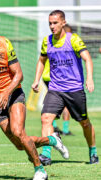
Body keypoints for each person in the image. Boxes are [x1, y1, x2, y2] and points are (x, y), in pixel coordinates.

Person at [0, 15, 69, 180]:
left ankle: (39, 170)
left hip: (13, 95)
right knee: (20, 145)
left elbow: (18, 74)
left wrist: (6, 92)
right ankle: (52, 140)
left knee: (18, 132)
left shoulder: (4, 44)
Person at [32, 10, 99, 166]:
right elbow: (41, 60)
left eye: (55, 23)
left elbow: (87, 58)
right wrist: (36, 80)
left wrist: (89, 78)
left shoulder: (74, 40)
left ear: (63, 23)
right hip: (55, 89)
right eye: (50, 23)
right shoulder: (46, 41)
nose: (52, 26)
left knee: (84, 123)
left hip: (74, 89)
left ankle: (93, 152)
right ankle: (46, 155)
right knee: (45, 119)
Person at [42, 24, 74, 136]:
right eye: (68, 33)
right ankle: (63, 129)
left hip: (48, 77)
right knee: (65, 103)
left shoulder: (51, 43)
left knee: (54, 103)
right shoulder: (59, 44)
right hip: (55, 77)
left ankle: (55, 127)